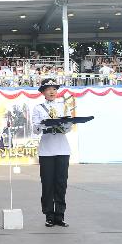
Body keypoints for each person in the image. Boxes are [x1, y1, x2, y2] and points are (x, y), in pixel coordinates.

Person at [31, 78, 73, 228]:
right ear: (43, 92)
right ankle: (49, 215)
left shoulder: (64, 106)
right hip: (46, 151)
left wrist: (65, 124)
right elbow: (35, 130)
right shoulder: (38, 108)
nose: (52, 91)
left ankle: (60, 216)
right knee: (47, 184)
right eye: (48, 89)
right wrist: (43, 124)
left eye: (54, 89)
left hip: (62, 149)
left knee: (61, 184)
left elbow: (69, 129)